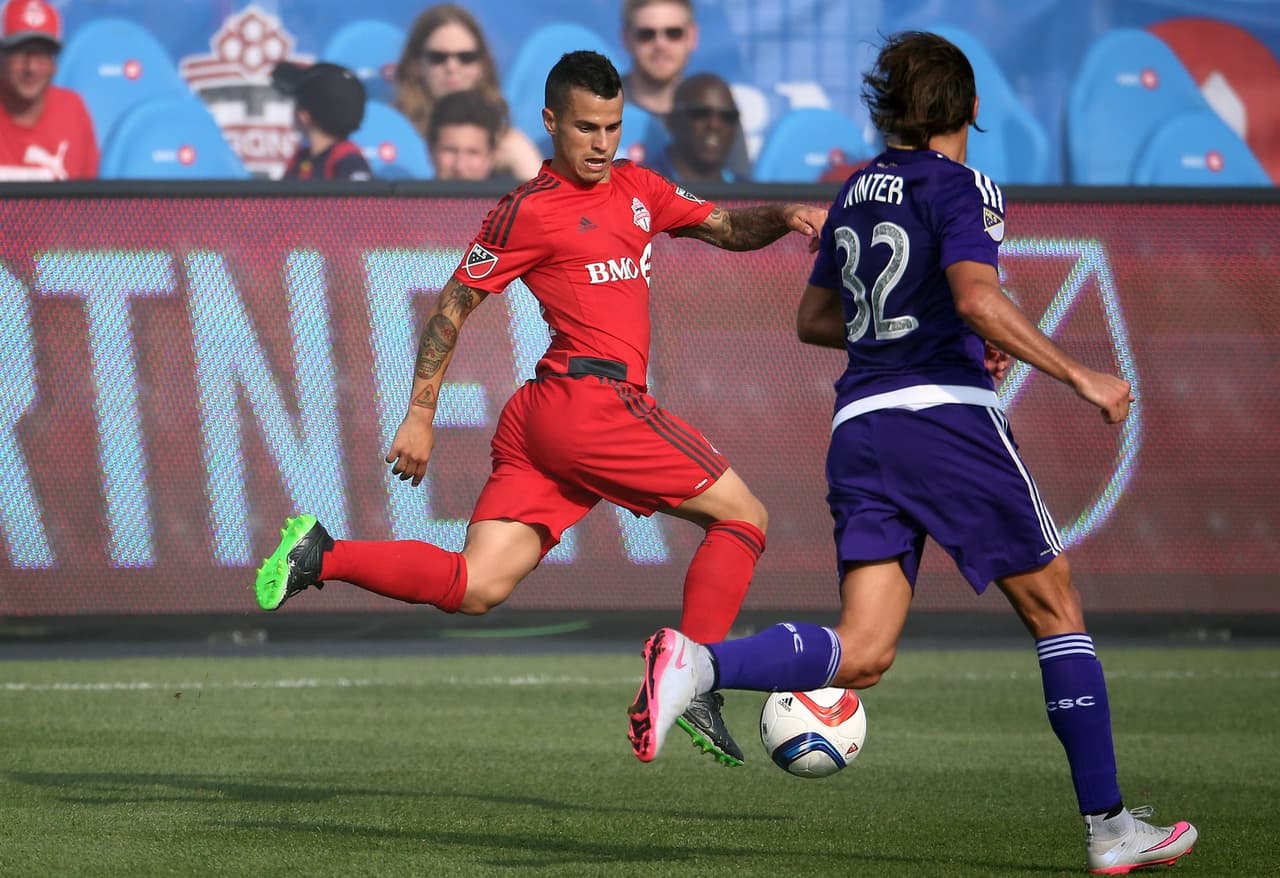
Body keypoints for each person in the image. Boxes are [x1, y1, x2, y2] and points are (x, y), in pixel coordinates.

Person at [627, 31, 1198, 875]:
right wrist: (1081, 375)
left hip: (862, 428)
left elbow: (816, 322)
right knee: (1055, 608)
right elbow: (976, 295)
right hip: (945, 420)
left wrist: (941, 327)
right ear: (970, 107)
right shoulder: (966, 185)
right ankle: (1111, 827)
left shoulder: (856, 189)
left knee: (865, 652)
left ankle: (697, 661)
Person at [255, 50, 826, 769]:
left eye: (613, 127)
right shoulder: (527, 209)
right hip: (593, 403)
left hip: (544, 422)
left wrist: (783, 214)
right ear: (551, 120)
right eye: (586, 127)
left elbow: (725, 229)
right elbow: (453, 308)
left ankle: (321, 555)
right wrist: (420, 414)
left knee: (477, 586)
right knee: (745, 516)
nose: (600, 143)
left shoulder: (641, 187)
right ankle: (696, 676)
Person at [392, 4, 542, 182]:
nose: (452, 67)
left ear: (482, 66)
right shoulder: (393, 132)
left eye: (466, 57)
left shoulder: (508, 142)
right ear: (415, 64)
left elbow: (549, 206)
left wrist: (522, 161)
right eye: (438, 57)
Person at [0, 0, 98, 181]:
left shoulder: (73, 111)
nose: (31, 67)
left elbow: (88, 202)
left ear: (55, 64)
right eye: (20, 52)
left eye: (42, 54)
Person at [271, 61, 373, 181]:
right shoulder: (301, 159)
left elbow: (359, 198)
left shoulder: (347, 158)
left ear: (304, 116)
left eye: (297, 104)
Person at [646, 72, 747, 184]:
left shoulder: (750, 197)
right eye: (700, 113)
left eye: (728, 116)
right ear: (672, 121)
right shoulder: (639, 188)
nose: (715, 124)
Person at [619, 0, 698, 125]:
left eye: (673, 33)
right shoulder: (595, 108)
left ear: (692, 37)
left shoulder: (717, 117)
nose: (660, 44)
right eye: (646, 34)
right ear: (626, 39)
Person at [426, 89, 510, 182]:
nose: (460, 167)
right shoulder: (408, 195)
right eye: (450, 151)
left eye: (473, 153)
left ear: (492, 157)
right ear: (430, 151)